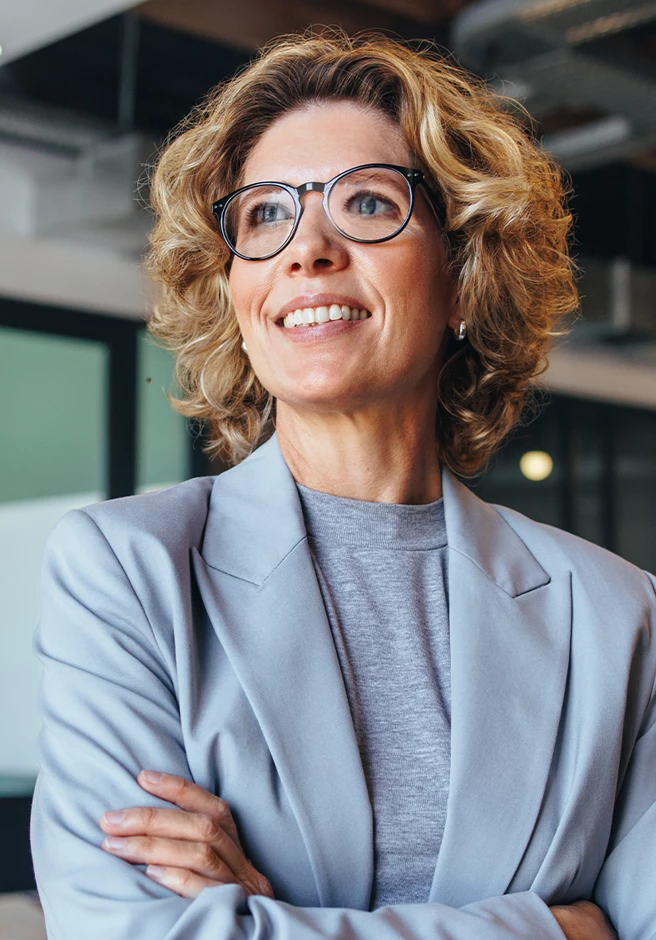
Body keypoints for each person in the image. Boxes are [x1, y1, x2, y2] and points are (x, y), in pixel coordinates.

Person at [30, 30, 655, 940]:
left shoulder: (620, 615)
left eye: (367, 202)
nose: (306, 248)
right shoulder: (128, 572)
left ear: (463, 275)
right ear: (234, 287)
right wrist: (561, 930)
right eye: (264, 215)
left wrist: (274, 919)